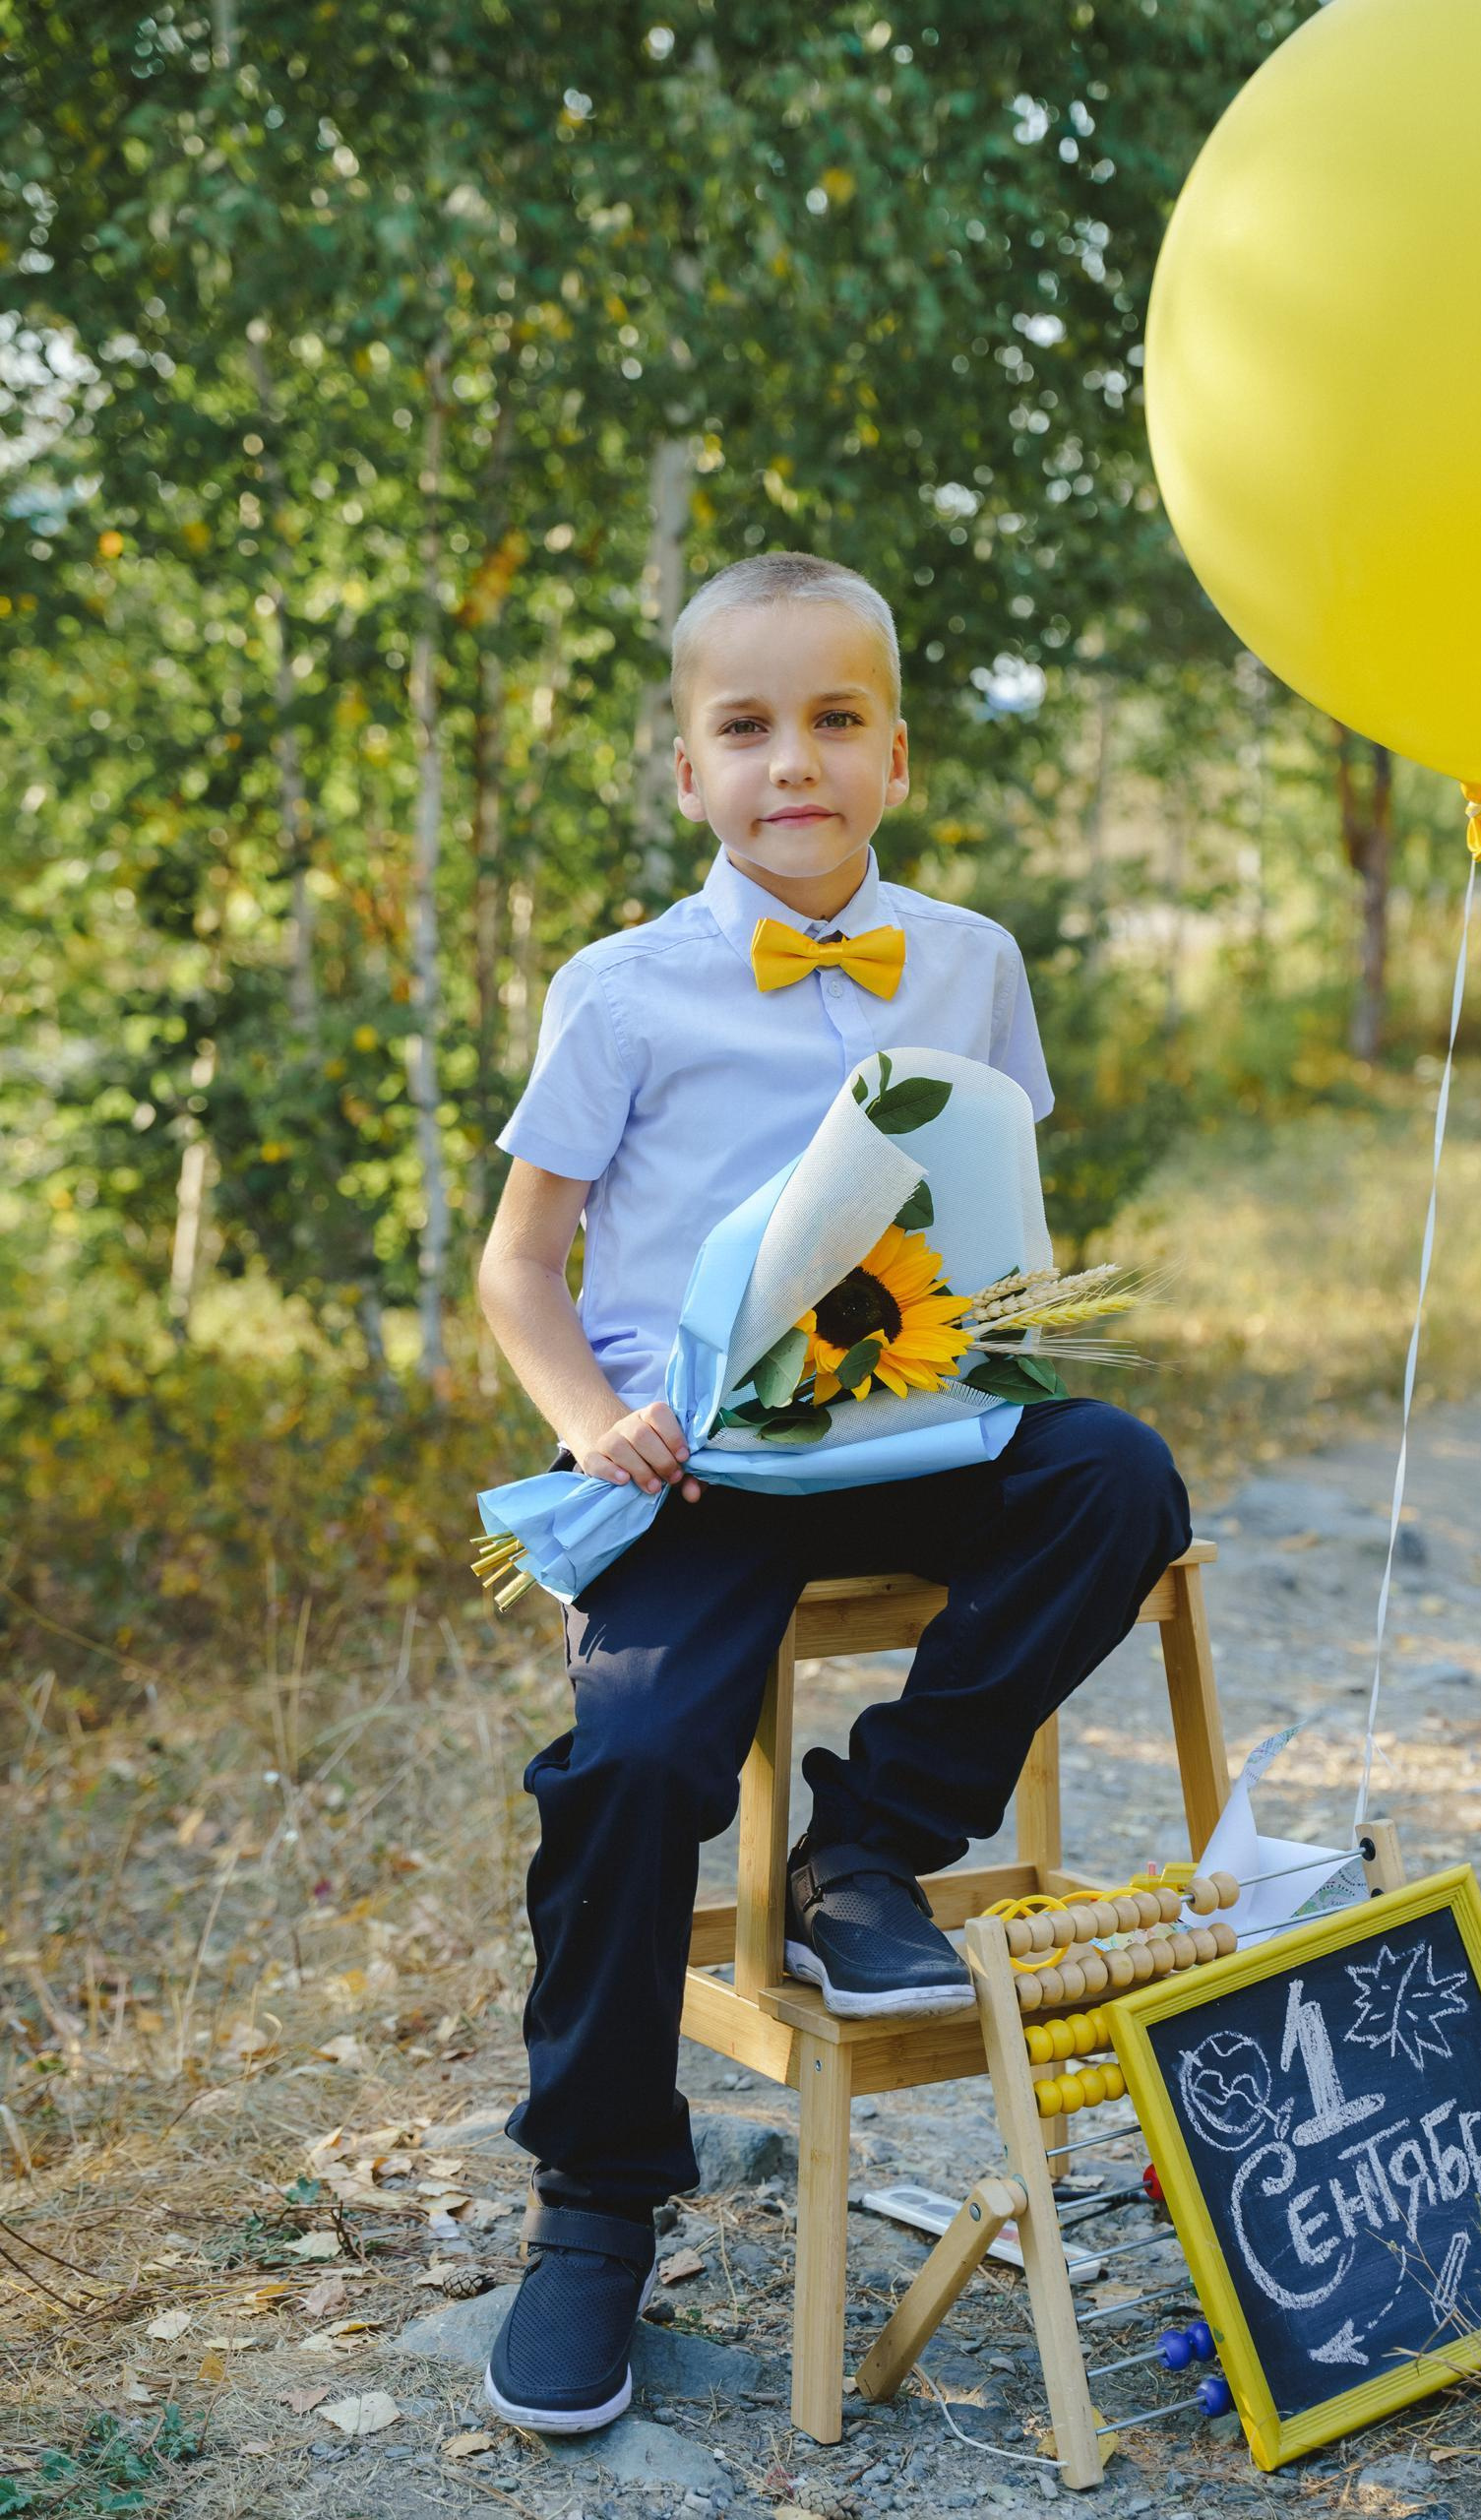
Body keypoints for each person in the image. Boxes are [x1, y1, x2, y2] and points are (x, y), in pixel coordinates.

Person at [474, 549, 1193, 2434]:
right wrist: (581, 1422)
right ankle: (598, 2207)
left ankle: (868, 1845)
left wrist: (1014, 1342)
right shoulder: (619, 993)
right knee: (632, 1768)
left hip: (903, 1424)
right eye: (749, 727)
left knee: (1118, 1472)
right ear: (688, 770)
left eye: (835, 720)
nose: (794, 759)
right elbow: (519, 1266)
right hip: (702, 1461)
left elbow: (986, 1209)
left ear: (896, 755)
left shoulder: (970, 958)